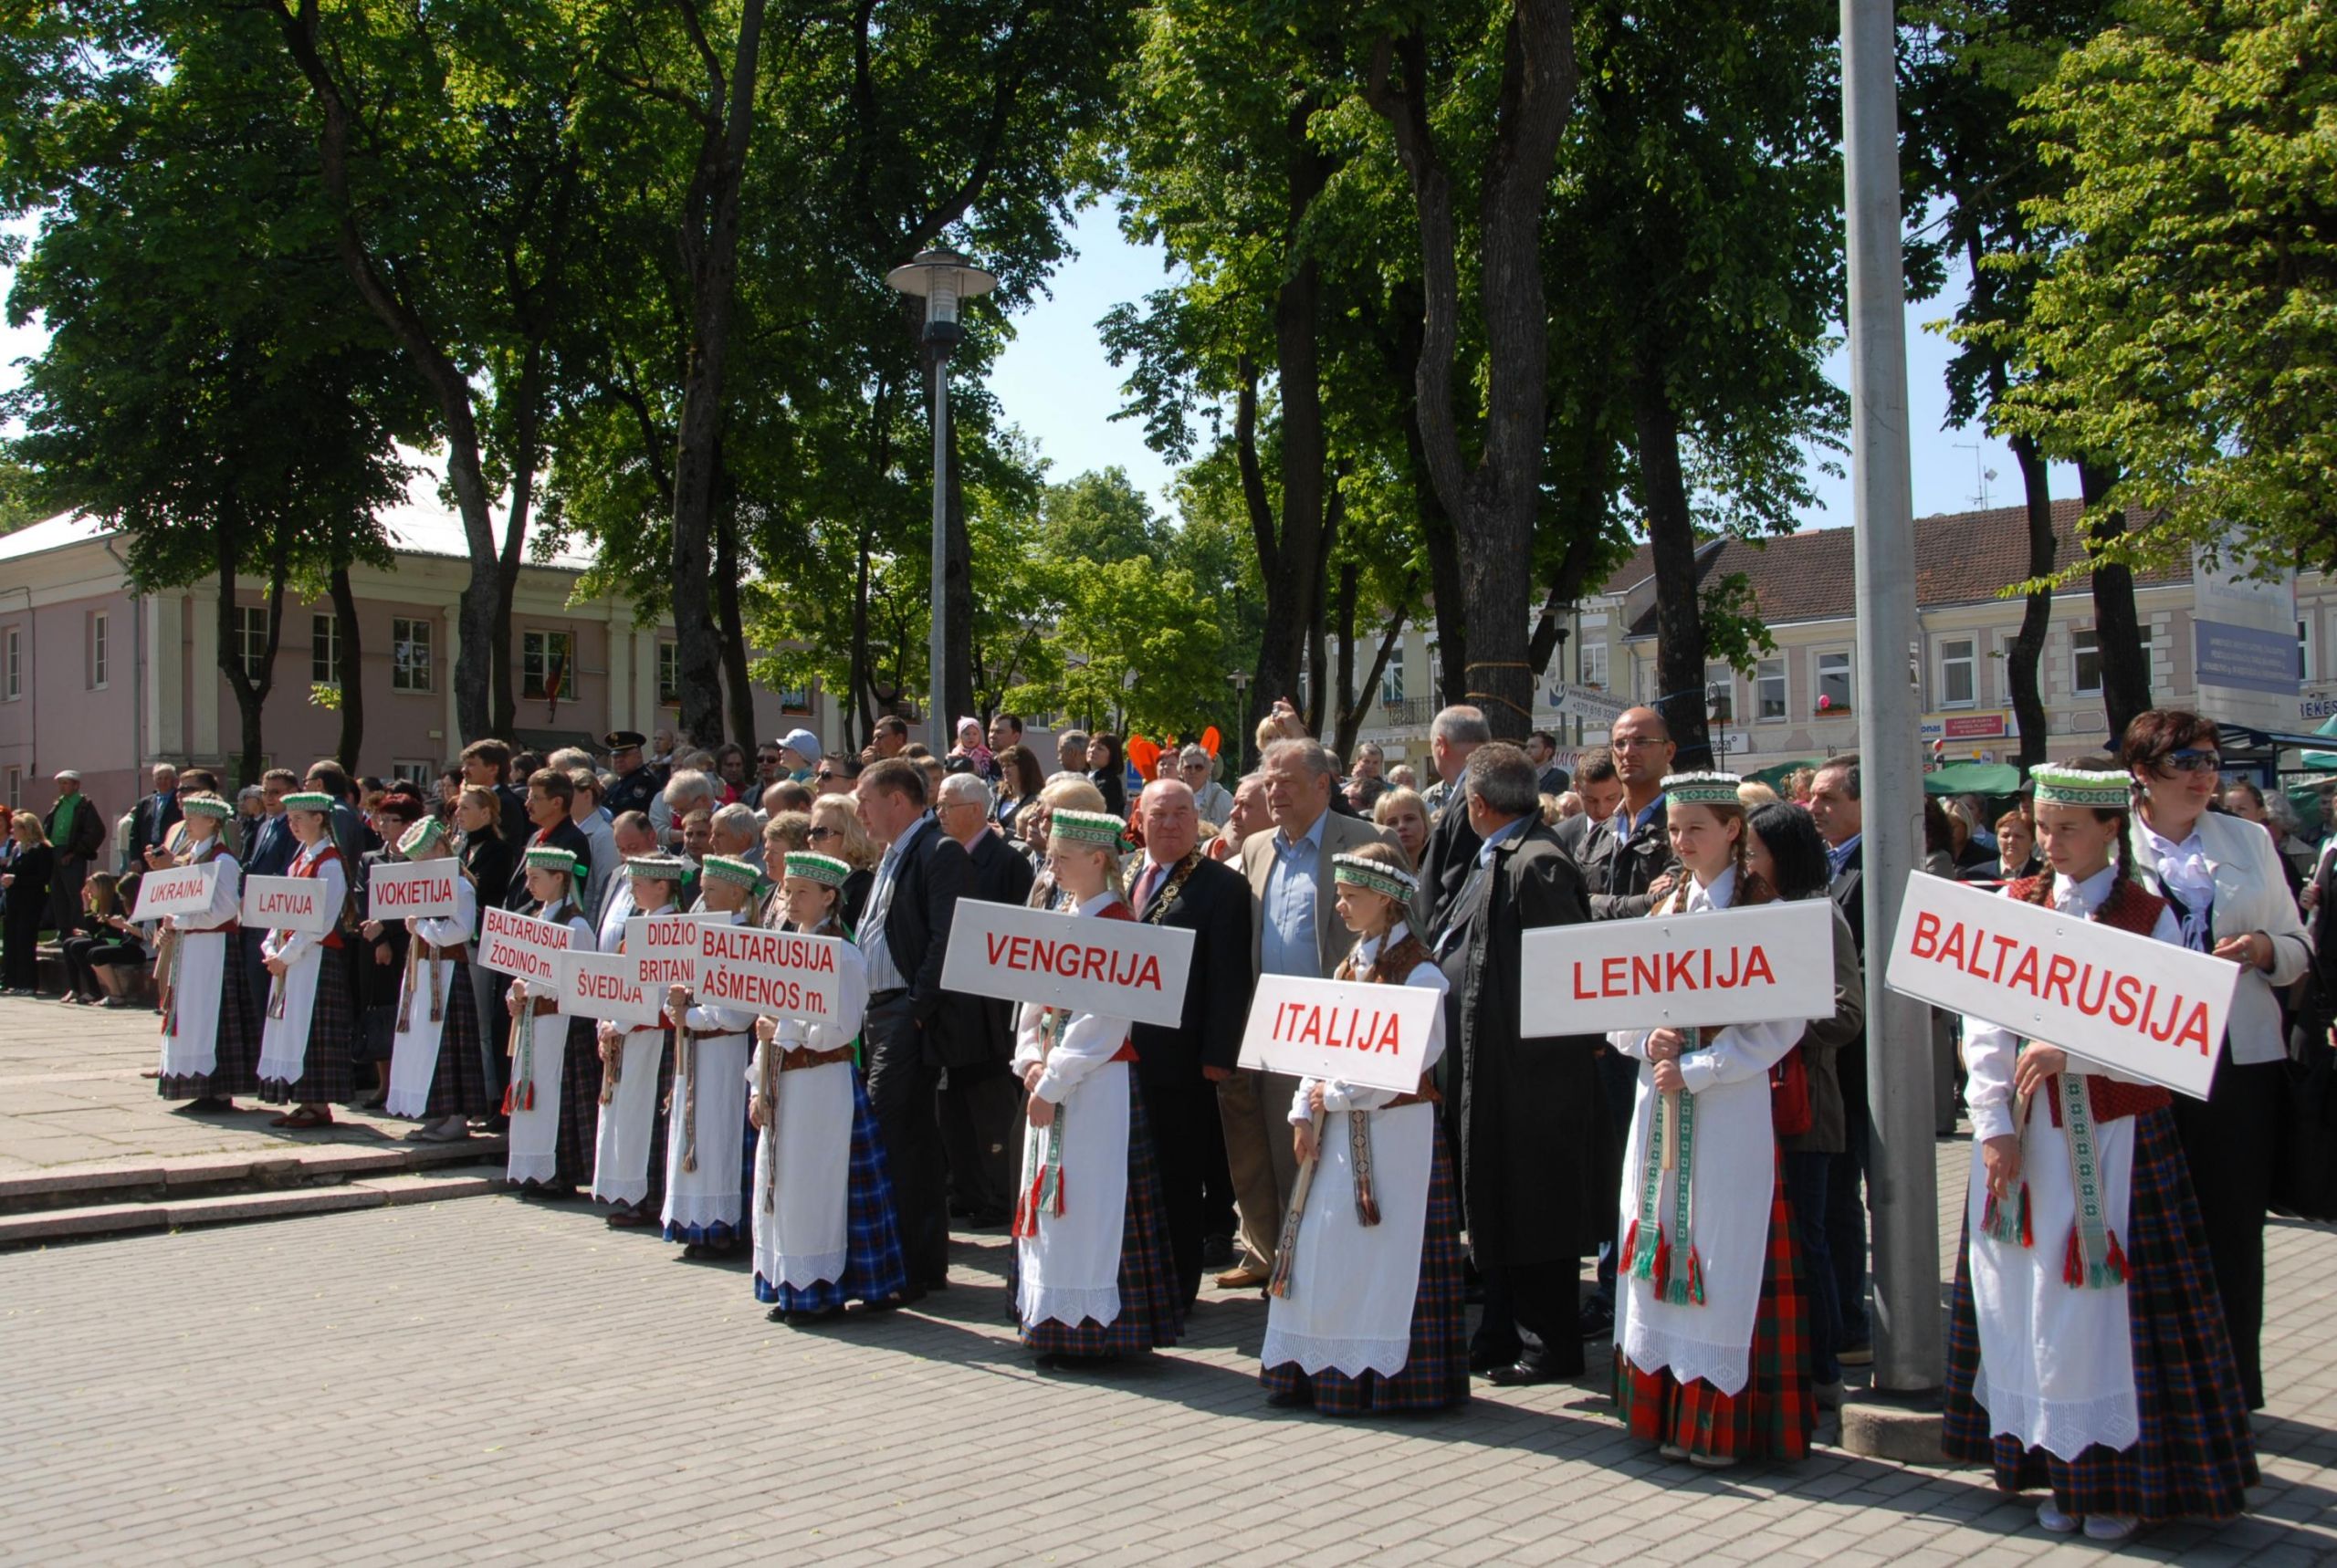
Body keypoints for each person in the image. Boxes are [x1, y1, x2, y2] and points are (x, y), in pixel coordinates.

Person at [1944, 762, 2258, 1537]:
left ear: (2112, 828)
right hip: (2028, 1137)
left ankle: (2118, 1481)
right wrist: (1992, 1126)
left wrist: (2071, 1054)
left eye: (2067, 829)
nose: (2050, 843)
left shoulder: (2148, 916)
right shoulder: (2014, 904)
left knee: (2105, 1311)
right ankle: (2052, 1466)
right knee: (2031, 1302)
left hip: (2120, 1137)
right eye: (2042, 827)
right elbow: (1981, 1027)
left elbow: (2169, 1037)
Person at [1610, 772, 1815, 1468]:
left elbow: (1783, 1023)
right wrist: (1647, 1039)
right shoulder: (1662, 903)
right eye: (1673, 829)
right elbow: (1617, 1001)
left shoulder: (1767, 910)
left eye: (1695, 827)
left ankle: (1722, 1424)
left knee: (1724, 1249)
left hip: (1730, 1107)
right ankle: (1664, 1410)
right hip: (1658, 1101)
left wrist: (1702, 1066)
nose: (1681, 841)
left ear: (1734, 829)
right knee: (1657, 1230)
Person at [2123, 710, 2306, 1413]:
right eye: (2186, 762)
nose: (2206, 776)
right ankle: (2155, 1385)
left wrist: (2263, 948)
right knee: (2148, 1224)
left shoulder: (2248, 841)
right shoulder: (2115, 847)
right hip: (2143, 1059)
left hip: (2237, 1057)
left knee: (2230, 1226)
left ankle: (2232, 1388)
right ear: (2142, 773)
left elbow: (2297, 946)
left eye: (2211, 761)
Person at [1260, 841, 1468, 1415]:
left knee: (1384, 1252)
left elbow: (1410, 1062)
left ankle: (1388, 1380)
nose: (1340, 907)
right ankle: (1320, 1366)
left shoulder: (1420, 973)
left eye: (1351, 897)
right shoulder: (1350, 964)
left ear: (1387, 899)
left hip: (1397, 1137)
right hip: (1341, 1133)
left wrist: (1339, 1094)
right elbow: (1317, 1042)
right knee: (1329, 1250)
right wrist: (1305, 1104)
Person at [1438, 743, 1602, 1385]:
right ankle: (1500, 1332)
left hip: (1532, 1076)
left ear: (1478, 805)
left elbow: (1563, 977)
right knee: (1497, 1208)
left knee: (1536, 1212)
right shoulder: (1504, 854)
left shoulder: (1536, 864)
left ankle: (1548, 1343)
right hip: (1494, 1066)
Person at [1221, 739, 1401, 1291]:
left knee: (1318, 1154)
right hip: (1270, 1028)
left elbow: (1396, 934)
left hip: (1335, 1029)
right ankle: (1271, 1254)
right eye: (1268, 782)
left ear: (1324, 786)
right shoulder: (1255, 847)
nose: (1274, 792)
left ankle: (1323, 1268)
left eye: (1287, 782)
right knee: (1267, 1151)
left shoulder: (1368, 841)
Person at [1009, 807, 1184, 1364]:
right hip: (1056, 1080)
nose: (1053, 865)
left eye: (1063, 857)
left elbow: (1105, 1022)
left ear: (1098, 859)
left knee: (1089, 1199)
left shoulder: (1119, 926)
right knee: (1051, 1196)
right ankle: (1051, 1320)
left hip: (1096, 1084)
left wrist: (1053, 1078)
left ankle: (1096, 1330)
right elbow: (1030, 998)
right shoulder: (1062, 914)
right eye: (1052, 855)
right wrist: (1030, 1058)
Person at [748, 851, 910, 1321]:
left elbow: (838, 1030)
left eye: (803, 892)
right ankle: (787, 1281)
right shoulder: (782, 947)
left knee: (815, 1183)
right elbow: (769, 1019)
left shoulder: (841, 953)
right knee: (779, 1182)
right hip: (784, 1081)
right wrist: (759, 1084)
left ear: (828, 896)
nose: (791, 900)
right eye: (788, 890)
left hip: (821, 1084)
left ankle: (819, 1288)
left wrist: (783, 1029)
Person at [1745, 800, 1862, 1408]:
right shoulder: (1749, 915)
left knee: (1807, 1240)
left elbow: (1846, 1016)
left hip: (1805, 1107)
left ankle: (1822, 1372)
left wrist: (1776, 1019)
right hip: (1750, 1106)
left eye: (1754, 852)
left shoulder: (1820, 920)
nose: (1746, 863)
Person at [1127, 779, 1254, 1306]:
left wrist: (1218, 1056)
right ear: (1141, 817)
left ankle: (1178, 1289)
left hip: (1183, 1056)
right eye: (1161, 813)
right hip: (1123, 1053)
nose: (1172, 823)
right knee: (1136, 1172)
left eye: (1183, 812)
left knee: (1179, 1176)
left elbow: (1229, 979)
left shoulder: (1220, 886)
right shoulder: (1127, 872)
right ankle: (1138, 1278)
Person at [853, 758, 976, 1295]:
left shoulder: (937, 851)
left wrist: (919, 1007)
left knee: (896, 1135)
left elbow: (949, 938)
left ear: (897, 801)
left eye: (866, 800)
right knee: (909, 1138)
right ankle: (910, 1261)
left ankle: (912, 1264)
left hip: (907, 1012)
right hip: (879, 1012)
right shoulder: (894, 854)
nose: (860, 811)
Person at [934, 773, 1033, 1228]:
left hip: (991, 1006)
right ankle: (969, 1189)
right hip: (954, 1001)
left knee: (991, 1102)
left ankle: (999, 1191)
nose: (939, 815)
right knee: (956, 1102)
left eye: (945, 806)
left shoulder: (1007, 861)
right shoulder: (943, 857)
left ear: (974, 809)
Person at [1806, 751, 1872, 1366]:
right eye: (1814, 797)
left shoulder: (1874, 871)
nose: (1815, 807)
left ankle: (1852, 1321)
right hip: (1833, 1067)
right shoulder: (1829, 867)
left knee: (1845, 1202)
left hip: (1860, 1063)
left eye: (1829, 798)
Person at [659, 853, 762, 1252]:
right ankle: (693, 1221)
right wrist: (677, 1006)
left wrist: (692, 1016)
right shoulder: (699, 935)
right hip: (694, 1051)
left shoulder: (745, 939)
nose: (702, 897)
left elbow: (738, 1014)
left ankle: (720, 1226)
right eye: (701, 890)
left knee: (717, 1131)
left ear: (736, 893)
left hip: (723, 1052)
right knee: (693, 1131)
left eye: (711, 890)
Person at [592, 853, 690, 1229]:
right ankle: (629, 1192)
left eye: (638, 883)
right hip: (631, 1034)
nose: (631, 890)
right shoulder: (644, 924)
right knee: (628, 1114)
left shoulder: (672, 931)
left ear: (662, 886)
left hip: (654, 1038)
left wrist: (619, 1022)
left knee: (648, 1116)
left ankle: (647, 1198)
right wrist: (609, 1020)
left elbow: (658, 992)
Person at [380, 817, 490, 1144]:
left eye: (423, 856)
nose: (418, 864)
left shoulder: (459, 885)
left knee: (449, 1042)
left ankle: (457, 1116)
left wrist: (422, 927)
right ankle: (438, 1110)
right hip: (423, 970)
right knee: (427, 1043)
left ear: (441, 849)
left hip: (447, 972)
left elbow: (459, 930)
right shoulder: (426, 883)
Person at [502, 846, 603, 1196]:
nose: (529, 884)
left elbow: (579, 979)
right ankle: (533, 1167)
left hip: (561, 1025)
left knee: (558, 1095)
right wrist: (515, 996)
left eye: (535, 877)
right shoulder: (534, 918)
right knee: (534, 1094)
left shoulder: (575, 925)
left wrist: (532, 988)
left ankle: (560, 1170)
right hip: (532, 1022)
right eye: (528, 877)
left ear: (559, 878)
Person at [149, 793, 257, 1107]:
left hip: (213, 947)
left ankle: (218, 1086)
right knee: (191, 1012)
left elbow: (225, 909)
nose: (188, 824)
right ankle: (197, 1083)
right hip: (191, 945)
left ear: (212, 821)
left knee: (212, 1011)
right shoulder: (193, 855)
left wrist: (181, 920)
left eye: (193, 818)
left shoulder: (223, 860)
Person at [255, 791, 354, 1129]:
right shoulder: (300, 859)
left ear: (319, 819)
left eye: (300, 818)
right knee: (293, 1025)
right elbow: (281, 909)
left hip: (313, 957)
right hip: (291, 958)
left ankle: (317, 1101)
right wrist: (271, 947)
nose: (293, 824)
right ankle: (303, 1098)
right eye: (291, 818)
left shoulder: (328, 862)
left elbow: (321, 922)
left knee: (312, 1027)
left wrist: (285, 955)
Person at [1554, 708, 1678, 919]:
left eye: (1641, 741)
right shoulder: (1597, 835)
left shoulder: (1683, 826)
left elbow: (1670, 903)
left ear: (1669, 751)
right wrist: (1638, 904)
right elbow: (1565, 902)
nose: (1628, 751)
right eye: (1620, 744)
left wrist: (1593, 902)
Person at [1410, 706, 1492, 927]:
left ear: (1440, 745)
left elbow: (1458, 884)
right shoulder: (1480, 788)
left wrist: (1434, 935)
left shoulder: (1472, 798)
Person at [507, 768, 592, 908]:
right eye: (528, 798)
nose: (527, 804)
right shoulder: (536, 836)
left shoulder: (574, 841)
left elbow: (563, 896)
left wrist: (516, 919)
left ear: (557, 803)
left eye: (534, 798)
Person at [58, 871, 146, 1005]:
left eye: (92, 888)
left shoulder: (117, 901)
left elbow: (118, 931)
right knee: (68, 943)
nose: (89, 892)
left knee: (78, 947)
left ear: (102, 888)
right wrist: (87, 906)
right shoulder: (97, 902)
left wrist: (110, 926)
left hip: (118, 939)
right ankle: (75, 988)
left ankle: (95, 991)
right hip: (108, 938)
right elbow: (94, 930)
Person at [45, 769, 105, 935]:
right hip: (55, 852)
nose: (62, 786)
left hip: (72, 854)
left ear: (76, 785)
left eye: (65, 783)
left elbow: (96, 832)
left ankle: (81, 930)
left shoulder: (84, 805)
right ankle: (63, 932)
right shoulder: (59, 804)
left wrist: (75, 852)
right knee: (57, 894)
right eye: (60, 783)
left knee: (75, 895)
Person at [807, 794, 878, 931]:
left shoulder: (864, 887)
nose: (810, 839)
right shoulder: (813, 883)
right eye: (810, 832)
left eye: (821, 832)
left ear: (851, 836)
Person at [1, 812, 54, 995]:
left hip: (31, 901)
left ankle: (28, 983)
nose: (12, 831)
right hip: (14, 899)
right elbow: (11, 869)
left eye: (16, 827)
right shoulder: (17, 848)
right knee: (12, 940)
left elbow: (43, 877)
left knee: (25, 940)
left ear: (27, 829)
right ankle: (12, 980)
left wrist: (17, 879)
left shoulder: (42, 849)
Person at [569, 769, 617, 918]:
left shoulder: (604, 835)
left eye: (569, 794)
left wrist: (592, 930)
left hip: (586, 924)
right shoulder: (570, 831)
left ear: (587, 795)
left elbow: (604, 890)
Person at [1204, 774, 1270, 864]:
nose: (1233, 813)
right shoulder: (1230, 862)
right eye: (1235, 804)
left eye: (1245, 805)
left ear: (1271, 809)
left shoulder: (1284, 860)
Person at [602, 731, 665, 821]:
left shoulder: (645, 782)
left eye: (624, 755)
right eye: (615, 756)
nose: (619, 760)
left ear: (638, 756)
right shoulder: (615, 784)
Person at [129, 763, 181, 872]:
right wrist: (135, 858)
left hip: (170, 854)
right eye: (159, 778)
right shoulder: (144, 803)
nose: (163, 781)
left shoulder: (180, 801)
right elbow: (135, 833)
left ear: (173, 780)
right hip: (148, 855)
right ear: (154, 780)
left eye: (167, 778)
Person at [1964, 810, 2038, 884]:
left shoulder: (2045, 875)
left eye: (2018, 836)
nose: (2011, 841)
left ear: (2032, 841)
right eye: (2005, 836)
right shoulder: (1976, 875)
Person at [992, 745, 1045, 840]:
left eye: (1009, 766)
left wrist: (1005, 836)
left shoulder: (1038, 799)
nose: (1004, 770)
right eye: (1003, 766)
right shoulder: (999, 795)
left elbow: (1038, 838)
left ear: (1024, 768)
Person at [1373, 787, 1430, 870]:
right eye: (1392, 822)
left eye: (1410, 819)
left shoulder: (1445, 865)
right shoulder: (1375, 872)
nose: (1402, 826)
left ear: (1424, 822)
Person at [1179, 746, 1234, 823]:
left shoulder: (1222, 798)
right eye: (1188, 767)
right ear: (1181, 771)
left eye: (1198, 767)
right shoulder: (1173, 797)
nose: (1193, 771)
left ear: (1208, 770)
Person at [1576, 748, 1625, 827]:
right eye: (1591, 800)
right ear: (1577, 789)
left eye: (1610, 798)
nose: (1601, 811)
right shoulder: (1561, 836)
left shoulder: (1643, 832)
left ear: (1624, 788)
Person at [1087, 734, 1128, 819]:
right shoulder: (1088, 775)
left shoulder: (1109, 782)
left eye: (1100, 748)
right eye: (1091, 746)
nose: (1092, 750)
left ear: (1112, 756)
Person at [1525, 729, 1572, 796]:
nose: (1527, 751)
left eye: (1533, 747)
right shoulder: (1522, 776)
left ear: (1548, 752)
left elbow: (1549, 804)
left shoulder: (1559, 777)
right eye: (1527, 747)